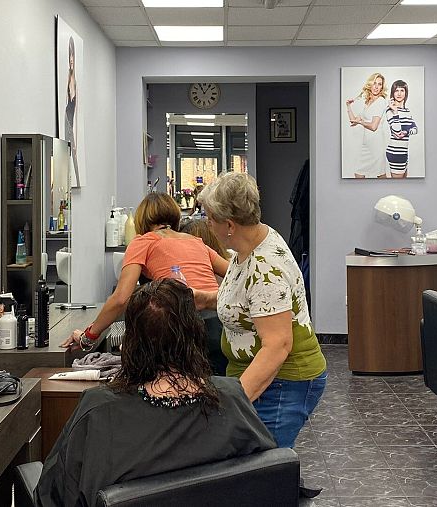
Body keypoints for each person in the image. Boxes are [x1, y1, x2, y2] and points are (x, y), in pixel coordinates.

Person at [38, 279, 276, 507]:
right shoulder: (230, 397)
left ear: (130, 342)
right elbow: (268, 479)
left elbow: (55, 494)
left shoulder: (100, 409)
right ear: (194, 336)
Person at [195, 173, 327, 449]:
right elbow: (255, 301)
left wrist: (235, 402)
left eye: (209, 218)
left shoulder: (265, 266)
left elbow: (278, 345)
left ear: (229, 224)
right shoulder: (253, 240)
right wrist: (208, 299)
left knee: (264, 465)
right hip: (265, 376)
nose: (207, 224)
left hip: (284, 382)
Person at [63, 192, 229, 354]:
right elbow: (236, 273)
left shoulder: (144, 242)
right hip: (218, 326)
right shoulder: (195, 241)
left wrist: (88, 336)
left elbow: (120, 299)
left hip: (181, 328)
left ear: (141, 220)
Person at [346, 72, 388, 178]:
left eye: (379, 84)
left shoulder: (381, 101)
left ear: (382, 87)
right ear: (370, 84)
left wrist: (360, 122)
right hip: (367, 145)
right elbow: (353, 121)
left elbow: (374, 127)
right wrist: (348, 106)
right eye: (375, 83)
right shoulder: (368, 102)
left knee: (380, 176)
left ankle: (389, 192)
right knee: (359, 173)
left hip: (376, 145)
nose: (376, 87)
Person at [384, 80, 419, 178]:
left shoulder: (407, 111)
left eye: (402, 90)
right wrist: (395, 112)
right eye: (396, 91)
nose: (399, 94)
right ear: (393, 93)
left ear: (406, 93)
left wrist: (406, 132)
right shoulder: (389, 110)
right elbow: (396, 130)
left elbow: (415, 129)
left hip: (404, 152)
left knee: (404, 185)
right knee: (398, 187)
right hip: (395, 153)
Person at [65, 36, 80, 186]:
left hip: (71, 128)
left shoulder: (75, 83)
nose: (71, 59)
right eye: (69, 55)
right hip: (65, 125)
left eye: (72, 55)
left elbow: (76, 117)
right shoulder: (66, 82)